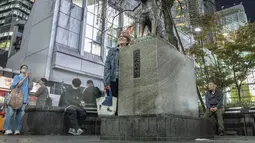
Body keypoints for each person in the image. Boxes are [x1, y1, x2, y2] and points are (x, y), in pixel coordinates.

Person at [103, 30, 131, 115]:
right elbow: (107, 67)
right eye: (120, 37)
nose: (121, 38)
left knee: (124, 103)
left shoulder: (130, 51)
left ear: (127, 41)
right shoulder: (112, 51)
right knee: (113, 103)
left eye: (124, 37)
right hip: (113, 79)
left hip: (126, 81)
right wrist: (106, 82)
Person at [4, 64, 32, 135]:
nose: (25, 69)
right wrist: (25, 77)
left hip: (24, 99)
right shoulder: (17, 76)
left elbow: (30, 88)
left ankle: (17, 129)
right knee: (10, 114)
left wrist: (30, 78)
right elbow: (18, 85)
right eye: (23, 68)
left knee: (20, 115)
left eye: (26, 68)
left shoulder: (28, 79)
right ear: (20, 70)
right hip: (15, 98)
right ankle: (8, 129)